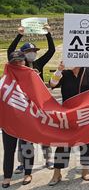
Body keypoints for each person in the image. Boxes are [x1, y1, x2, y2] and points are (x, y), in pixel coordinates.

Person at [48, 60, 89, 186]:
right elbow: (52, 83)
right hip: (67, 114)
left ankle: (85, 170)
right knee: (63, 143)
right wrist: (59, 70)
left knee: (86, 142)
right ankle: (57, 172)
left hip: (85, 114)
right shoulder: (64, 72)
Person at [7, 25, 55, 171]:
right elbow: (10, 52)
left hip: (39, 104)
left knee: (44, 132)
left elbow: (51, 51)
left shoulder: (39, 63)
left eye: (33, 51)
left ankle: (48, 159)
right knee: (24, 134)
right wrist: (19, 35)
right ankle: (23, 163)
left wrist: (48, 34)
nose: (32, 54)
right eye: (28, 51)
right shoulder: (17, 66)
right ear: (22, 54)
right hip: (23, 104)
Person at [2, 51, 35, 188]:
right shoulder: (3, 80)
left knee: (27, 147)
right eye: (14, 62)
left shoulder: (31, 78)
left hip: (26, 121)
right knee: (9, 150)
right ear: (9, 64)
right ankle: (7, 176)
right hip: (9, 122)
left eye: (20, 61)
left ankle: (28, 173)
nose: (18, 65)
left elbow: (39, 97)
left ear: (25, 62)